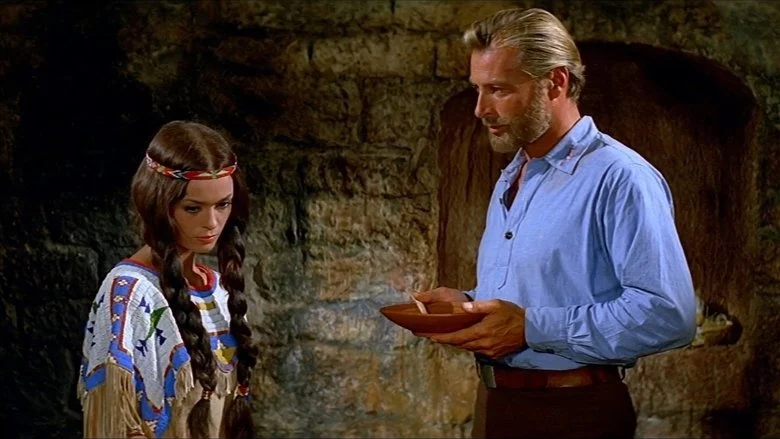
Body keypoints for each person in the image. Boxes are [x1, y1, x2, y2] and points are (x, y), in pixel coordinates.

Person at [414, 8, 696, 439]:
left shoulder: (620, 177)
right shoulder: (514, 174)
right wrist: (469, 306)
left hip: (574, 412)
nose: (480, 109)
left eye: (499, 89)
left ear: (556, 83)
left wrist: (530, 328)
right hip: (495, 404)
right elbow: (542, 292)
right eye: (477, 89)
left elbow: (669, 316)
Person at [77, 121, 258, 439]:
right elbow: (117, 422)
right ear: (158, 204)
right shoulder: (130, 292)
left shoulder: (219, 288)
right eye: (193, 208)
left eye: (223, 205)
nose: (212, 222)